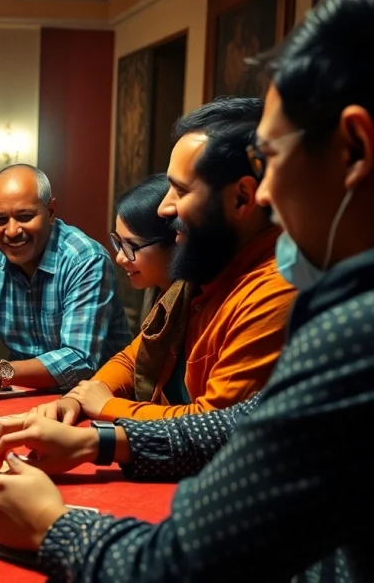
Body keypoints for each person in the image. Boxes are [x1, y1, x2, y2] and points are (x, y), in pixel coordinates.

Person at [0, 1, 374, 579]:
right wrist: (99, 444)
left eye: (271, 159)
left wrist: (54, 525)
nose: (264, 195)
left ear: (355, 149)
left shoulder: (353, 327)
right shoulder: (217, 278)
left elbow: (178, 564)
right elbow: (234, 425)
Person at [35, 99, 297, 423]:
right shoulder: (204, 269)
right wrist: (79, 399)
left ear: (242, 198)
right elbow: (136, 358)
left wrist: (105, 409)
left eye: (181, 191)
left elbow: (210, 429)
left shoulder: (275, 290)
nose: (164, 208)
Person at [0, 164, 130, 399]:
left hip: (96, 399)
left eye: (25, 216)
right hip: (24, 396)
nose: (11, 231)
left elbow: (79, 359)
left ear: (51, 211)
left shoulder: (85, 259)